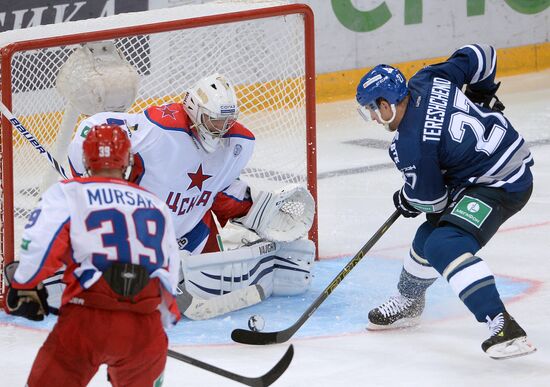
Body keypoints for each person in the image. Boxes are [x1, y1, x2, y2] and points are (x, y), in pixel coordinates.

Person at [67, 73, 316, 320]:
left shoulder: (238, 143)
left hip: (193, 232)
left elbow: (220, 192)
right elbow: (91, 128)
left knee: (218, 283)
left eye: (227, 121)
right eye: (213, 120)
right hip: (139, 235)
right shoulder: (160, 129)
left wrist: (258, 209)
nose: (221, 129)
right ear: (194, 110)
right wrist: (94, 174)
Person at [355, 44, 536, 359]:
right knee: (430, 236)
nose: (373, 117)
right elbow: (482, 54)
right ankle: (409, 300)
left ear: (386, 104)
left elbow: (434, 201)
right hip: (486, 168)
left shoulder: (410, 145)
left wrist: (408, 198)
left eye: (372, 109)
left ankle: (503, 326)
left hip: (501, 182)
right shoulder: (427, 79)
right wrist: (482, 94)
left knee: (444, 244)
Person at [3, 124, 180, 386]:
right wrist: (156, 328)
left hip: (87, 320)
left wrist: (24, 284)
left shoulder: (69, 192)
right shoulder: (156, 203)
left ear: (85, 159)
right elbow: (170, 271)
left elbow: (40, 244)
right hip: (145, 328)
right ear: (128, 160)